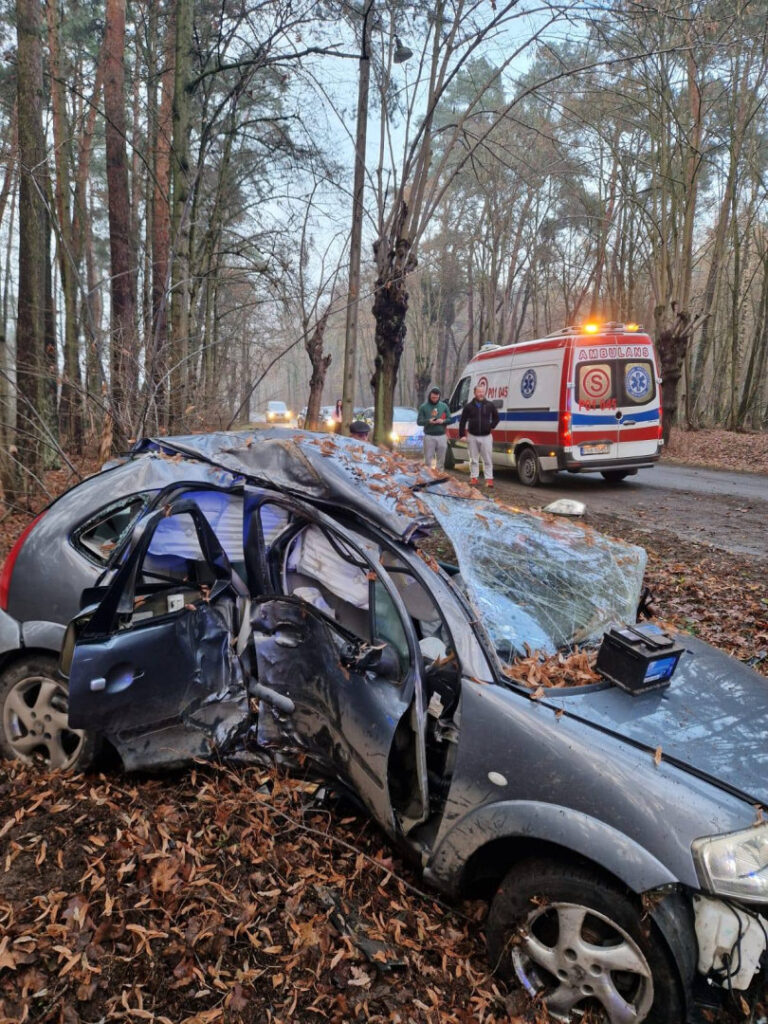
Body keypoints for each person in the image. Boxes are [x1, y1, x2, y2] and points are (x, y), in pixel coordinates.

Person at [459, 381, 499, 487]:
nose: (481, 394)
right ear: (475, 393)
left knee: (487, 459)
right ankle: (474, 478)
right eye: (479, 392)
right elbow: (462, 421)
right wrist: (462, 435)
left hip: (486, 436)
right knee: (473, 459)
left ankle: (489, 479)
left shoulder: (490, 405)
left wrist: (491, 426)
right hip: (472, 436)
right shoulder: (468, 407)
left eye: (482, 392)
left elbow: (496, 418)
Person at [417, 386, 451, 470]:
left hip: (442, 436)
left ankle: (439, 474)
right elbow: (419, 422)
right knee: (428, 460)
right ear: (430, 396)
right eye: (433, 397)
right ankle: (428, 474)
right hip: (429, 436)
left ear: (439, 396)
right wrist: (428, 421)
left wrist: (443, 421)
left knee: (441, 459)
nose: (434, 399)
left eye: (436, 398)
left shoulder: (444, 406)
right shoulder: (423, 407)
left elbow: (450, 419)